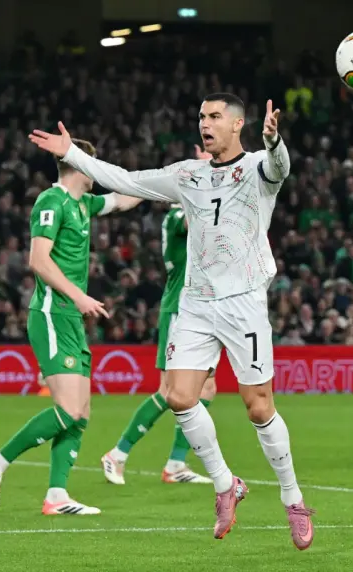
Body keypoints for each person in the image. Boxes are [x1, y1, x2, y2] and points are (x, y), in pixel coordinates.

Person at [29, 93, 315, 550]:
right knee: (180, 397)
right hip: (196, 303)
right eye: (201, 116)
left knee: (259, 407)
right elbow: (125, 179)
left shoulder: (258, 168)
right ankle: (225, 485)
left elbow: (280, 167)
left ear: (237, 124)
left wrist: (274, 140)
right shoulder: (187, 175)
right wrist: (73, 155)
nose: (205, 123)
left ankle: (293, 498)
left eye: (215, 116)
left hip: (243, 302)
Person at [0, 139, 144, 515]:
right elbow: (38, 260)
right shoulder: (51, 202)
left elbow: (122, 200)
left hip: (70, 318)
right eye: (92, 164)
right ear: (79, 166)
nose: (97, 172)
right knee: (67, 410)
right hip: (52, 314)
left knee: (81, 413)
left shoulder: (84, 203)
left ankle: (56, 495)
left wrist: (168, 184)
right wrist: (79, 296)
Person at [102, 148, 216, 486]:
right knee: (169, 390)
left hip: (203, 311)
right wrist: (207, 171)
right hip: (181, 310)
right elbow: (201, 215)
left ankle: (176, 464)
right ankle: (118, 453)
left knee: (206, 388)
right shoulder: (178, 216)